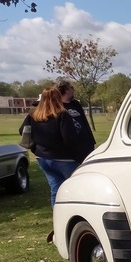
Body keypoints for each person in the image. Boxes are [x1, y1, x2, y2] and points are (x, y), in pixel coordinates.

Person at [18, 87, 93, 241]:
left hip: (43, 159)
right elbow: (70, 139)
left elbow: (22, 130)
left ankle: (59, 224)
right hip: (63, 159)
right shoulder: (61, 114)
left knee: (56, 190)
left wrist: (36, 147)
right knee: (78, 189)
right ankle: (80, 222)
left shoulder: (34, 114)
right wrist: (80, 156)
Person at [57, 78, 96, 158]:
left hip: (86, 144)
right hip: (72, 149)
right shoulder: (57, 106)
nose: (73, 90)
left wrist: (91, 141)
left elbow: (84, 122)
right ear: (66, 90)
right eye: (72, 88)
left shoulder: (75, 104)